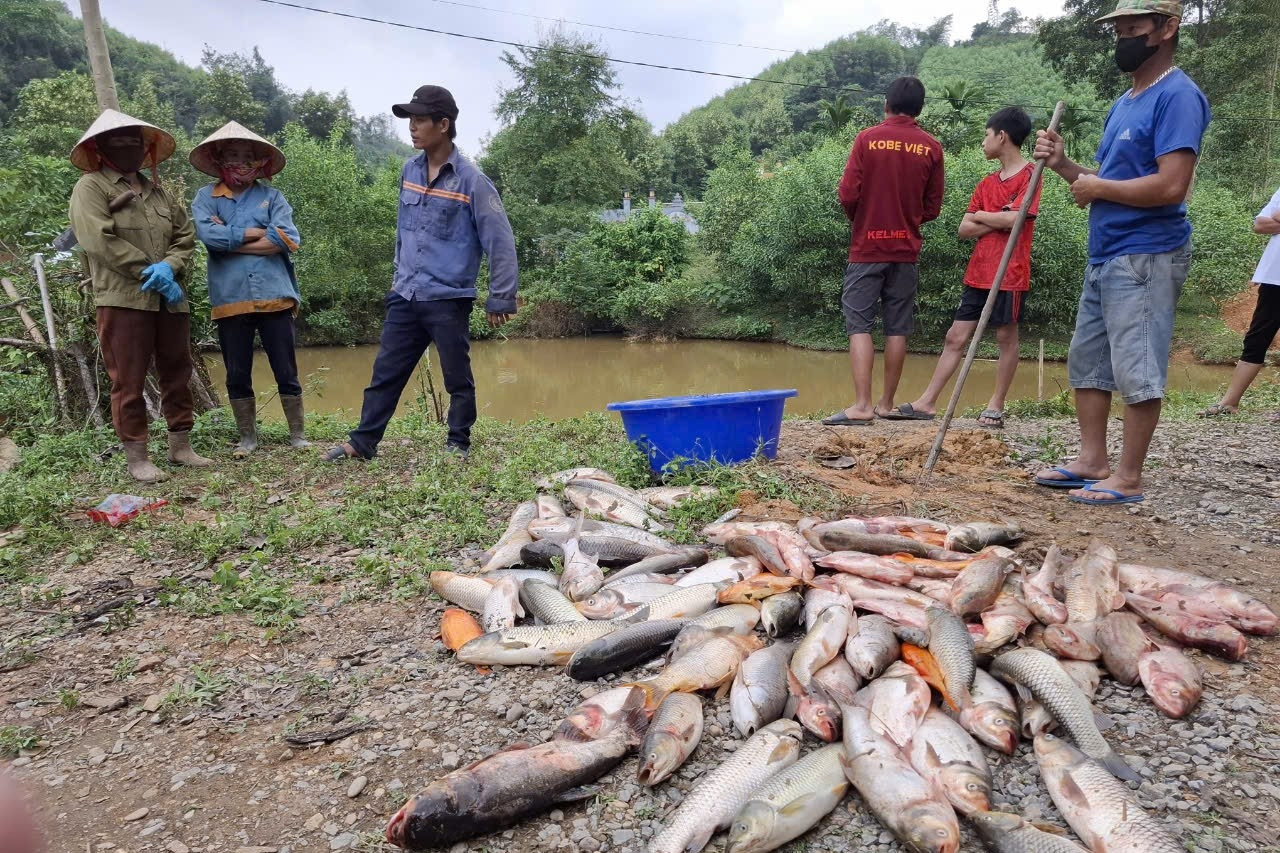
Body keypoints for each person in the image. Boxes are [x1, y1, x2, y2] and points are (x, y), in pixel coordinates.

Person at [1032, 0, 1210, 505]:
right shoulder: (1124, 102)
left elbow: (1172, 186)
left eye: (1133, 29)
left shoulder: (1177, 96)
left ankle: (1128, 477)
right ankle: (1092, 460)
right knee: (1088, 361)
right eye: (1119, 31)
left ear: (1167, 29)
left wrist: (1099, 189)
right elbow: (1102, 181)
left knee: (1138, 367)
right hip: (1106, 251)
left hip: (1148, 253)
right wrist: (1066, 166)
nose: (1122, 39)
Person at [323, 85, 518, 462]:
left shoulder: (472, 182)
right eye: (410, 120)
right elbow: (403, 231)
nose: (412, 127)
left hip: (448, 297)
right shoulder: (408, 170)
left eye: (420, 120)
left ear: (443, 124)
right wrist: (399, 277)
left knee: (456, 377)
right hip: (407, 293)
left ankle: (458, 442)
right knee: (385, 372)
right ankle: (363, 442)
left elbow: (501, 243)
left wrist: (501, 297)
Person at [68, 109, 212, 482]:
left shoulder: (157, 192)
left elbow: (185, 235)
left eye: (135, 140)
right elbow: (96, 239)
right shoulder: (92, 188)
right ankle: (138, 458)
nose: (129, 147)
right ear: (100, 147)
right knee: (128, 380)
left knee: (177, 370)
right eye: (119, 140)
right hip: (123, 299)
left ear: (145, 148)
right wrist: (146, 269)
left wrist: (170, 267)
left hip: (171, 297)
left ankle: (181, 446)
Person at [885, 107, 1041, 429]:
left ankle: (996, 405)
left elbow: (1018, 219)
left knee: (1005, 336)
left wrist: (986, 215)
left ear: (1002, 136)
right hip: (978, 272)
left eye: (986, 135)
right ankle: (928, 402)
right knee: (955, 336)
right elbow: (963, 227)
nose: (983, 142)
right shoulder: (986, 183)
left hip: (1010, 272)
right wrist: (996, 216)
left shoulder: (1031, 175)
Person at [826, 76, 945, 426]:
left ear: (886, 105)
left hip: (867, 247)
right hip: (905, 249)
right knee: (897, 327)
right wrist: (908, 219)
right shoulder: (931, 147)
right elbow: (933, 207)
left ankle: (861, 406)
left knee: (859, 324)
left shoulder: (867, 139)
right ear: (920, 109)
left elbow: (848, 193)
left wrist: (861, 220)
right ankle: (886, 404)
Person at [190, 121, 308, 456]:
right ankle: (247, 438)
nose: (240, 161)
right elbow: (209, 238)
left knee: (286, 367)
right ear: (219, 159)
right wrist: (258, 233)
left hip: (276, 294)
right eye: (232, 155)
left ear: (259, 161)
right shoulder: (205, 197)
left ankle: (297, 434)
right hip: (230, 298)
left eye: (247, 155)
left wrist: (231, 240)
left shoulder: (273, 196)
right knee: (236, 372)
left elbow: (287, 238)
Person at [1198, 183, 1280, 420]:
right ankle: (1229, 402)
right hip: (1274, 276)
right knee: (1257, 336)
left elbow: (1275, 217)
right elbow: (1261, 223)